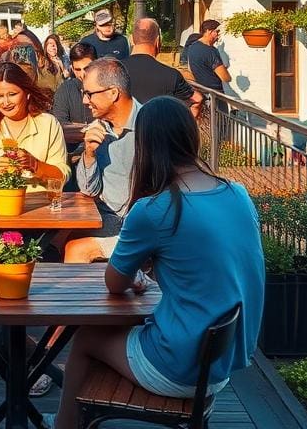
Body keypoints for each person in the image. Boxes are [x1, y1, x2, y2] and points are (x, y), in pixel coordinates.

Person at [49, 97, 265, 429]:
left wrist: (134, 272)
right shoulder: (237, 192)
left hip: (181, 368)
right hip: (222, 362)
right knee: (125, 329)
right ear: (191, 138)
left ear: (144, 144)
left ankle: (64, 425)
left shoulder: (155, 209)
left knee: (88, 337)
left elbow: (113, 283)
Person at [62, 58, 141, 263]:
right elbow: (89, 190)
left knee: (75, 249)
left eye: (89, 94)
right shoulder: (100, 128)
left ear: (113, 93)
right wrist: (89, 153)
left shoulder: (149, 126)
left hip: (140, 226)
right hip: (105, 218)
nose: (84, 101)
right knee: (54, 242)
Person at [0, 63, 70, 191]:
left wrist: (34, 165)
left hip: (40, 205)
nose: (6, 102)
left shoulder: (49, 124)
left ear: (27, 94)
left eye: (12, 94)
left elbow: (62, 176)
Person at [125, 18, 202, 114]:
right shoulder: (172, 75)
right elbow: (197, 99)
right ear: (158, 41)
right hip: (159, 127)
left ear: (131, 40)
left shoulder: (115, 70)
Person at [51, 43, 96, 125]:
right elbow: (60, 124)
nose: (83, 74)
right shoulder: (65, 90)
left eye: (87, 68)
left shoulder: (109, 87)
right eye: (78, 70)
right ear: (72, 69)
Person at [187, 19, 230, 93]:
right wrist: (224, 68)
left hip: (200, 91)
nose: (218, 35)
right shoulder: (211, 51)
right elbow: (225, 78)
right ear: (209, 31)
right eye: (217, 31)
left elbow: (190, 69)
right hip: (214, 94)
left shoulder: (192, 47)